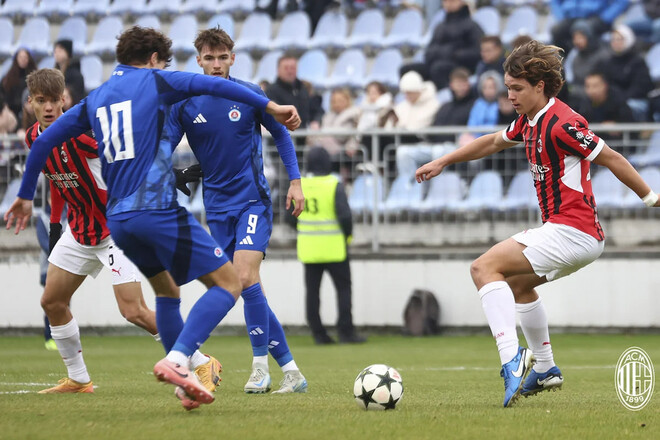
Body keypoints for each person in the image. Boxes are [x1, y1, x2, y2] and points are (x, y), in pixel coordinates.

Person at [4, 26, 301, 411]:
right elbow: (216, 88)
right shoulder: (158, 80)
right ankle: (181, 359)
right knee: (230, 283)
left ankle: (187, 383)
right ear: (155, 59)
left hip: (119, 221)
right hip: (156, 210)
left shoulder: (98, 98)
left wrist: (25, 196)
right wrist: (271, 106)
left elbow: (43, 141)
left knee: (166, 293)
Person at [415, 40, 660, 408]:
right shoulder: (529, 121)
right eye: (508, 87)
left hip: (573, 230)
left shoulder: (564, 123)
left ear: (540, 86)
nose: (510, 95)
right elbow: (491, 143)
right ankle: (544, 368)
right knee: (515, 285)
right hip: (575, 235)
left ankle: (511, 358)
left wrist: (652, 198)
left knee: (484, 268)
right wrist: (444, 161)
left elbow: (611, 157)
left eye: (517, 88)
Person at [167, 27, 307, 394]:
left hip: (252, 202)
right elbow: (163, 144)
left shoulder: (249, 94)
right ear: (198, 61)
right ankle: (292, 371)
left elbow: (280, 134)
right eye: (208, 58)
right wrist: (167, 172)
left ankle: (259, 367)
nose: (215, 65)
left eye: (222, 57)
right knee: (247, 286)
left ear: (233, 58)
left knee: (243, 277)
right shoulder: (184, 102)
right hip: (215, 207)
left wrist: (295, 181)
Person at [21, 68, 161, 393]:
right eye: (41, 101)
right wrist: (56, 226)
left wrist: (165, 173)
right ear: (30, 103)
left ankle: (200, 360)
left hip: (115, 228)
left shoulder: (79, 135)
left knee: (133, 310)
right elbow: (57, 180)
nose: (48, 107)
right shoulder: (32, 139)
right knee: (52, 301)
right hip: (79, 230)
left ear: (64, 100)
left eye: (54, 100)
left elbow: (126, 156)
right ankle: (79, 379)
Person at [290, 146, 365, 345]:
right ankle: (346, 332)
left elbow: (290, 216)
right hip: (334, 248)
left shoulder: (300, 185)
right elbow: (345, 216)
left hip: (309, 249)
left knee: (313, 292)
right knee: (343, 290)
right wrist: (347, 236)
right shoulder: (334, 184)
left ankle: (318, 333)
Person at [265, 53, 323, 129]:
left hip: (302, 137)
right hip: (280, 137)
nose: (290, 71)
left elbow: (316, 110)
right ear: (278, 70)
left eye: (292, 68)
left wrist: (316, 121)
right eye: (286, 68)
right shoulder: (270, 91)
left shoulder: (303, 88)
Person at [549, 0, 630, 52]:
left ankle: (589, 66)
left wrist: (605, 18)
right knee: (556, 30)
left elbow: (621, 2)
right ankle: (563, 64)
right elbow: (555, 2)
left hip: (596, 17)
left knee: (583, 29)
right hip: (571, 16)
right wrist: (561, 17)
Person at [1, 47, 37, 122]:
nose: (23, 59)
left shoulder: (36, 77)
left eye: (25, 57)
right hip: (11, 112)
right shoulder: (8, 78)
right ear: (16, 59)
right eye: (20, 57)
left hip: (30, 111)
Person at [53, 39, 85, 105]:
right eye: (55, 51)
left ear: (67, 53)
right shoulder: (54, 73)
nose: (57, 54)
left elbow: (77, 96)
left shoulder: (76, 75)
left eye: (60, 51)